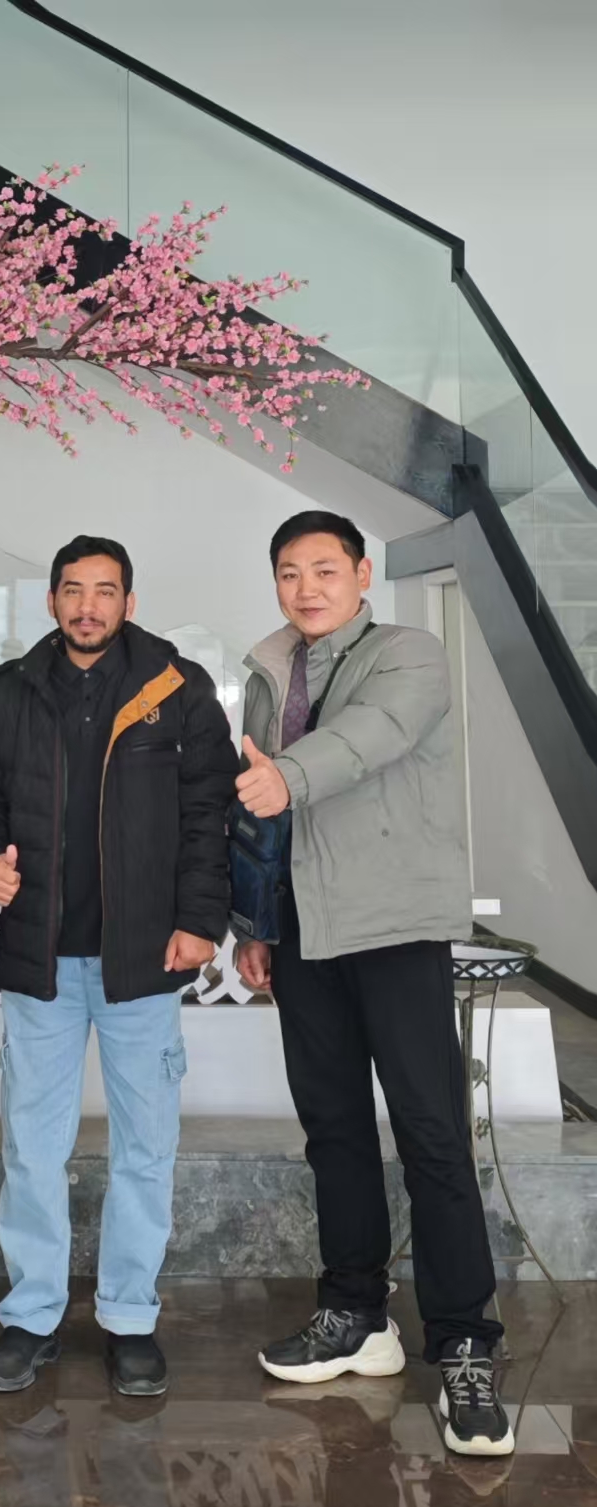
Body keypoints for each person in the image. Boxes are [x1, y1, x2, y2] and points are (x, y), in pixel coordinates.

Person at [235, 508, 514, 1456]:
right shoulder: (267, 672)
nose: (306, 587)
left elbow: (370, 736)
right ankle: (356, 1311)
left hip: (395, 927)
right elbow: (261, 820)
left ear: (361, 574)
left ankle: (466, 1342)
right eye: (289, 571)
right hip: (306, 933)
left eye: (325, 568)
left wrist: (287, 774)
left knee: (432, 1133)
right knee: (335, 1130)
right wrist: (256, 925)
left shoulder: (409, 654)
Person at [0, 535, 236, 1397]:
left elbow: (208, 812)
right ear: (51, 601)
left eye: (104, 591)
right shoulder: (9, 690)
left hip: (142, 958)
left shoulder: (175, 688)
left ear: (128, 601)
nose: (87, 606)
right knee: (32, 1149)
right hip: (39, 955)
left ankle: (130, 1318)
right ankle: (32, 1315)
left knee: (145, 1147)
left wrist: (200, 921)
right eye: (72, 591)